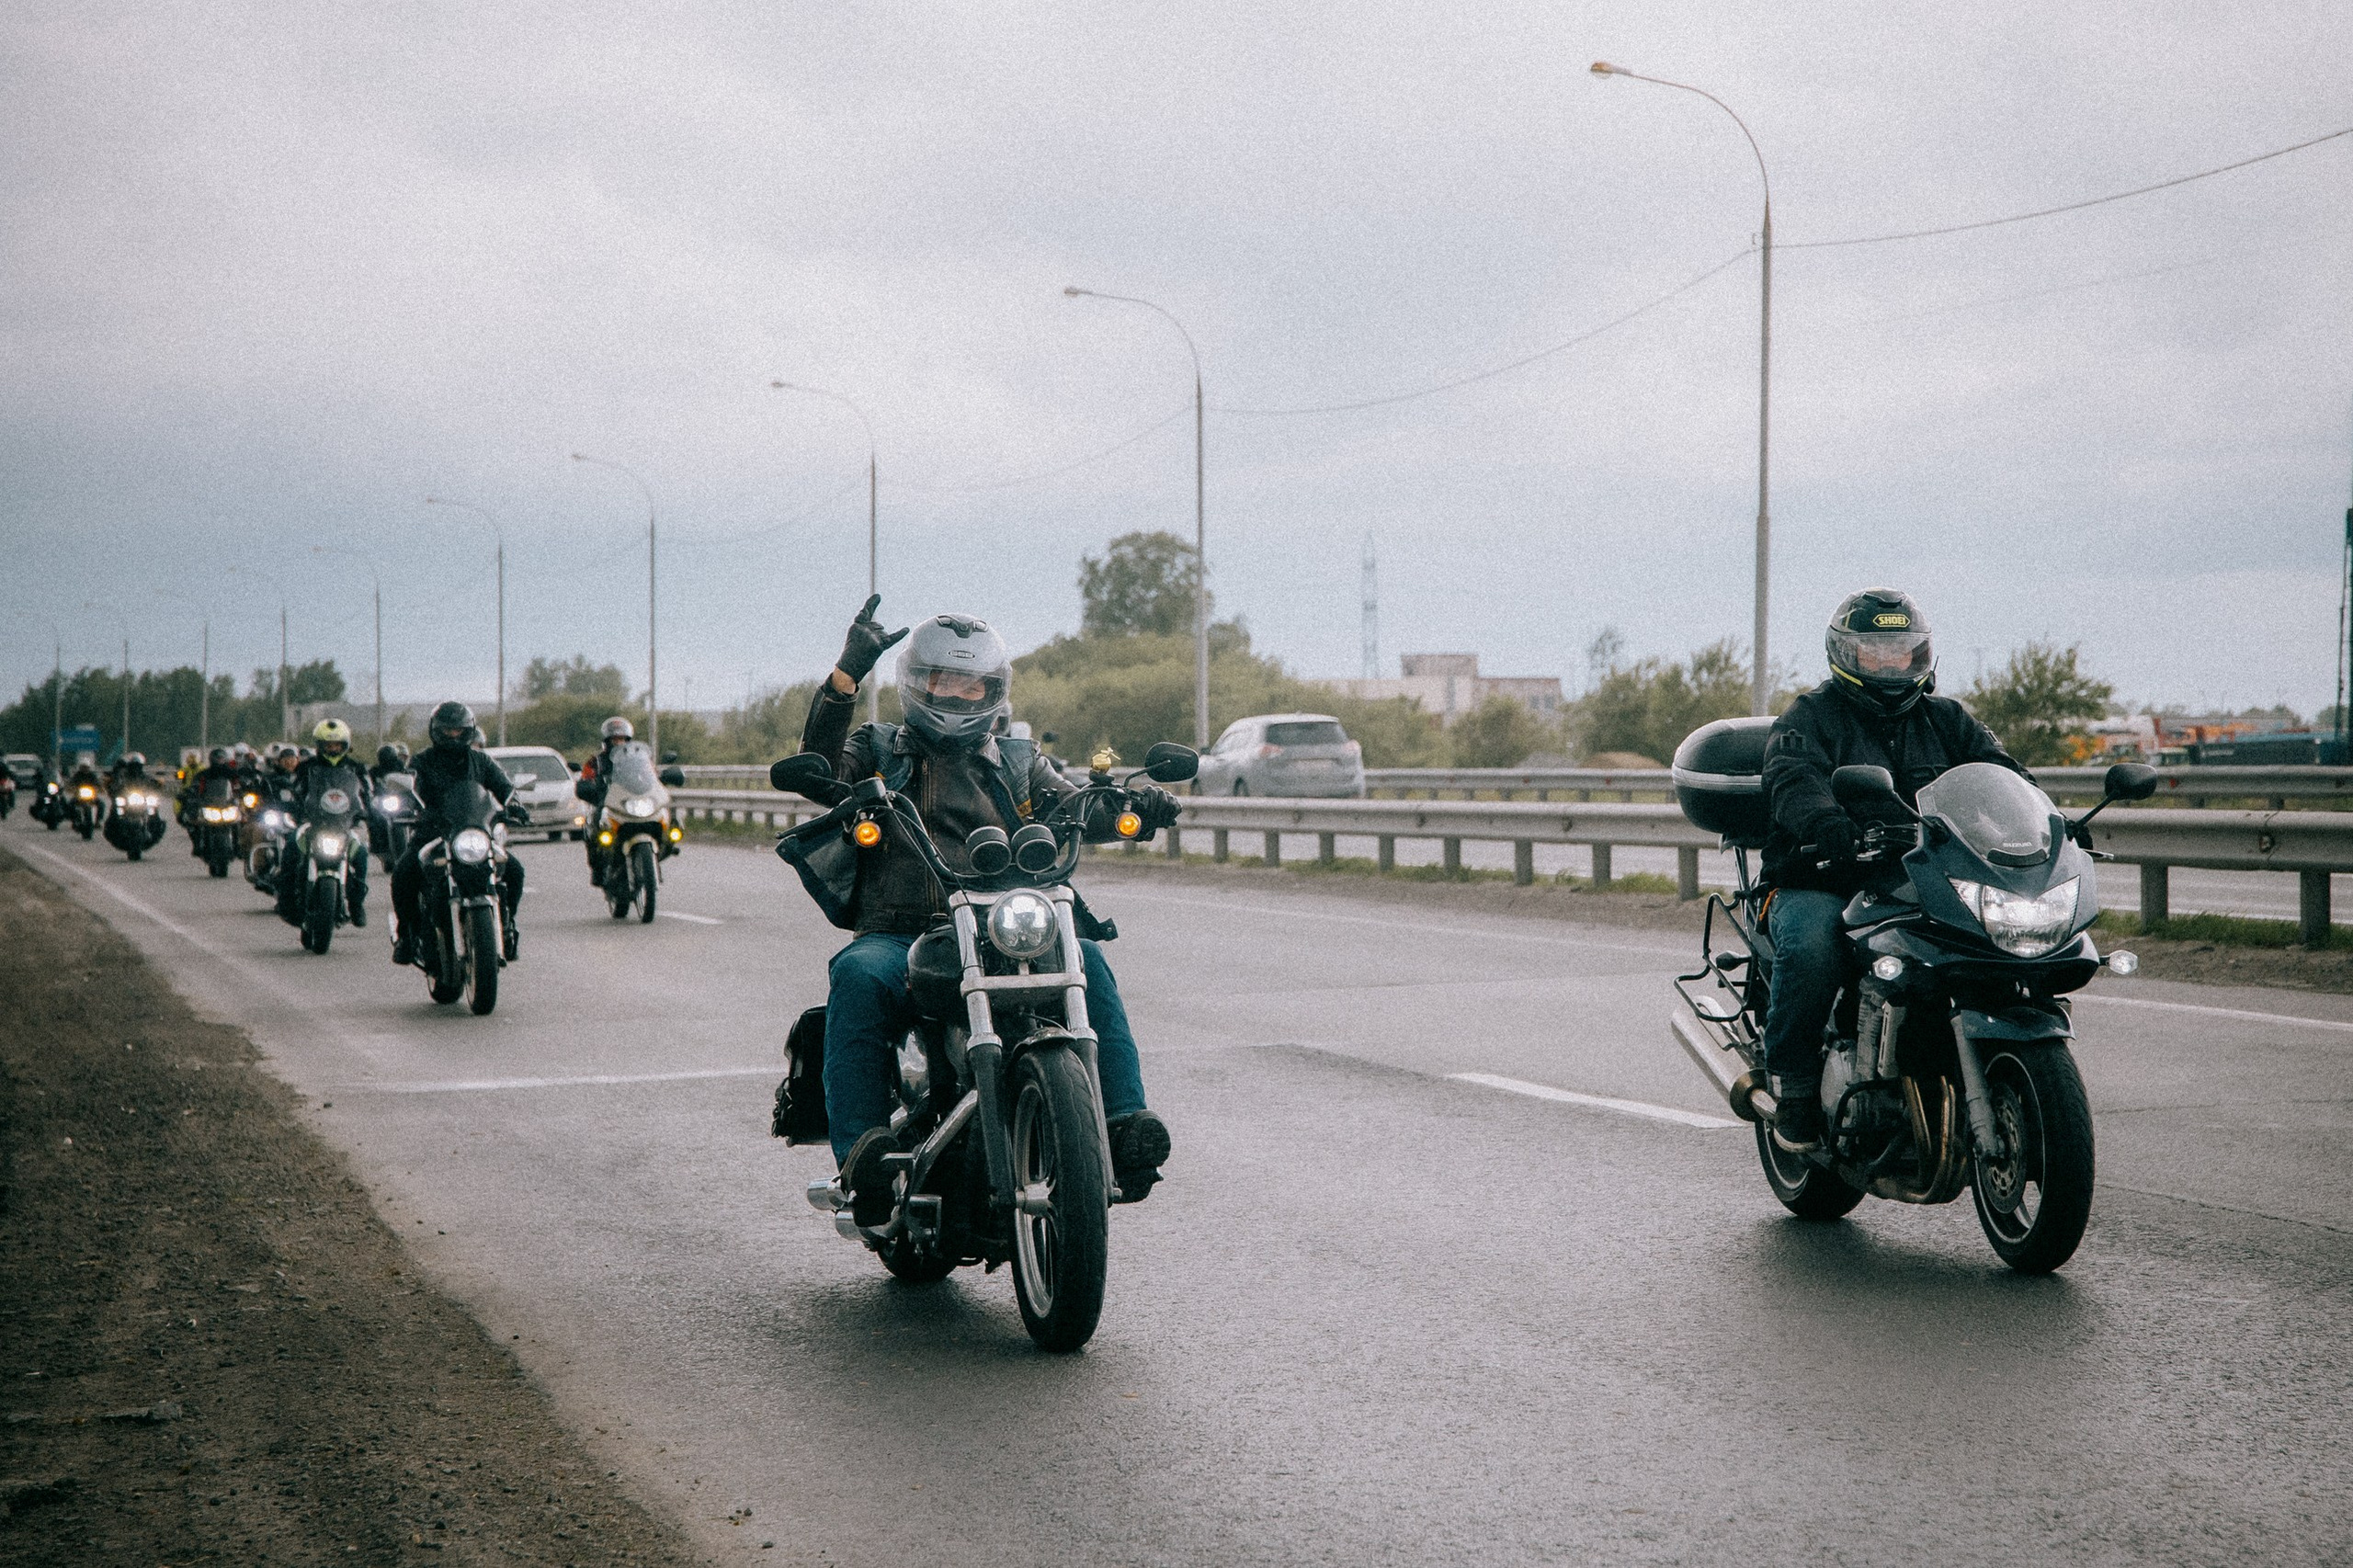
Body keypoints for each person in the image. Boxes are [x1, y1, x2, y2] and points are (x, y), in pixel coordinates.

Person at [800, 596, 1179, 1223]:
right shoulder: (880, 749)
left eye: (973, 684)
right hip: (904, 934)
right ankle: (862, 1152)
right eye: (946, 681)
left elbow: (1077, 803)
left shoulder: (1021, 762)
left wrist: (1136, 810)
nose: (958, 695)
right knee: (858, 974)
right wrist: (846, 676)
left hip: (1007, 931)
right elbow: (818, 773)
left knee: (1086, 957)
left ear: (993, 691)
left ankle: (1121, 1124)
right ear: (918, 684)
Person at [1758, 588, 2029, 1153]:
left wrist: (2045, 820)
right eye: (1873, 652)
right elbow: (1792, 779)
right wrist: (1826, 824)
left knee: (1990, 943)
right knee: (1814, 945)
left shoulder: (1947, 719)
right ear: (1845, 656)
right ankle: (1796, 1089)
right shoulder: (1810, 717)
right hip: (1823, 876)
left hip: (1921, 876)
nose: (1889, 663)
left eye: (1901, 651)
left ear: (1921, 656)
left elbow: (1998, 772)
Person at [391, 702, 525, 967]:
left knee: (515, 870)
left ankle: (507, 925)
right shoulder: (421, 761)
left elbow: (503, 785)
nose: (453, 736)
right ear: (436, 731)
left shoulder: (481, 761)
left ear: (468, 731)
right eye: (447, 731)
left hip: (473, 832)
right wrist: (408, 805)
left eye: (458, 730)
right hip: (433, 831)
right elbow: (410, 787)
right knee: (404, 874)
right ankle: (407, 934)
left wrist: (514, 804)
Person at [275, 721, 374, 926]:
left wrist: (369, 809)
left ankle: (356, 902)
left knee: (362, 853)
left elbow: (366, 793)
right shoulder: (306, 768)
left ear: (345, 745)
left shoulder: (356, 768)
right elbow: (295, 790)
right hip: (313, 823)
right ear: (319, 746)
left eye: (337, 745)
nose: (333, 749)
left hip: (345, 825)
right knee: (291, 846)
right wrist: (291, 804)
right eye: (328, 745)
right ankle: (286, 902)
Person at [574, 716, 638, 886]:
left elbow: (650, 775)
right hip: (606, 803)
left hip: (632, 802)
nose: (619, 743)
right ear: (607, 741)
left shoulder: (636, 760)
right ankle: (597, 868)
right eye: (615, 739)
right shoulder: (596, 762)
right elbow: (585, 779)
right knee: (592, 826)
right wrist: (587, 787)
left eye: (623, 739)